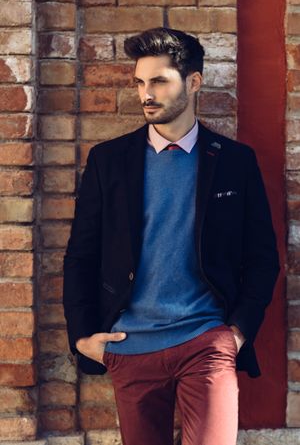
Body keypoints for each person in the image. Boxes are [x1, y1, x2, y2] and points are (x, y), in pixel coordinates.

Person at [63, 27, 280, 445]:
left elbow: (261, 257)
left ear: (193, 83)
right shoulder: (109, 161)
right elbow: (81, 256)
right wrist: (83, 338)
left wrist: (236, 333)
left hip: (206, 341)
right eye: (140, 82)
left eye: (159, 81)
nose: (147, 93)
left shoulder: (235, 161)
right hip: (129, 345)